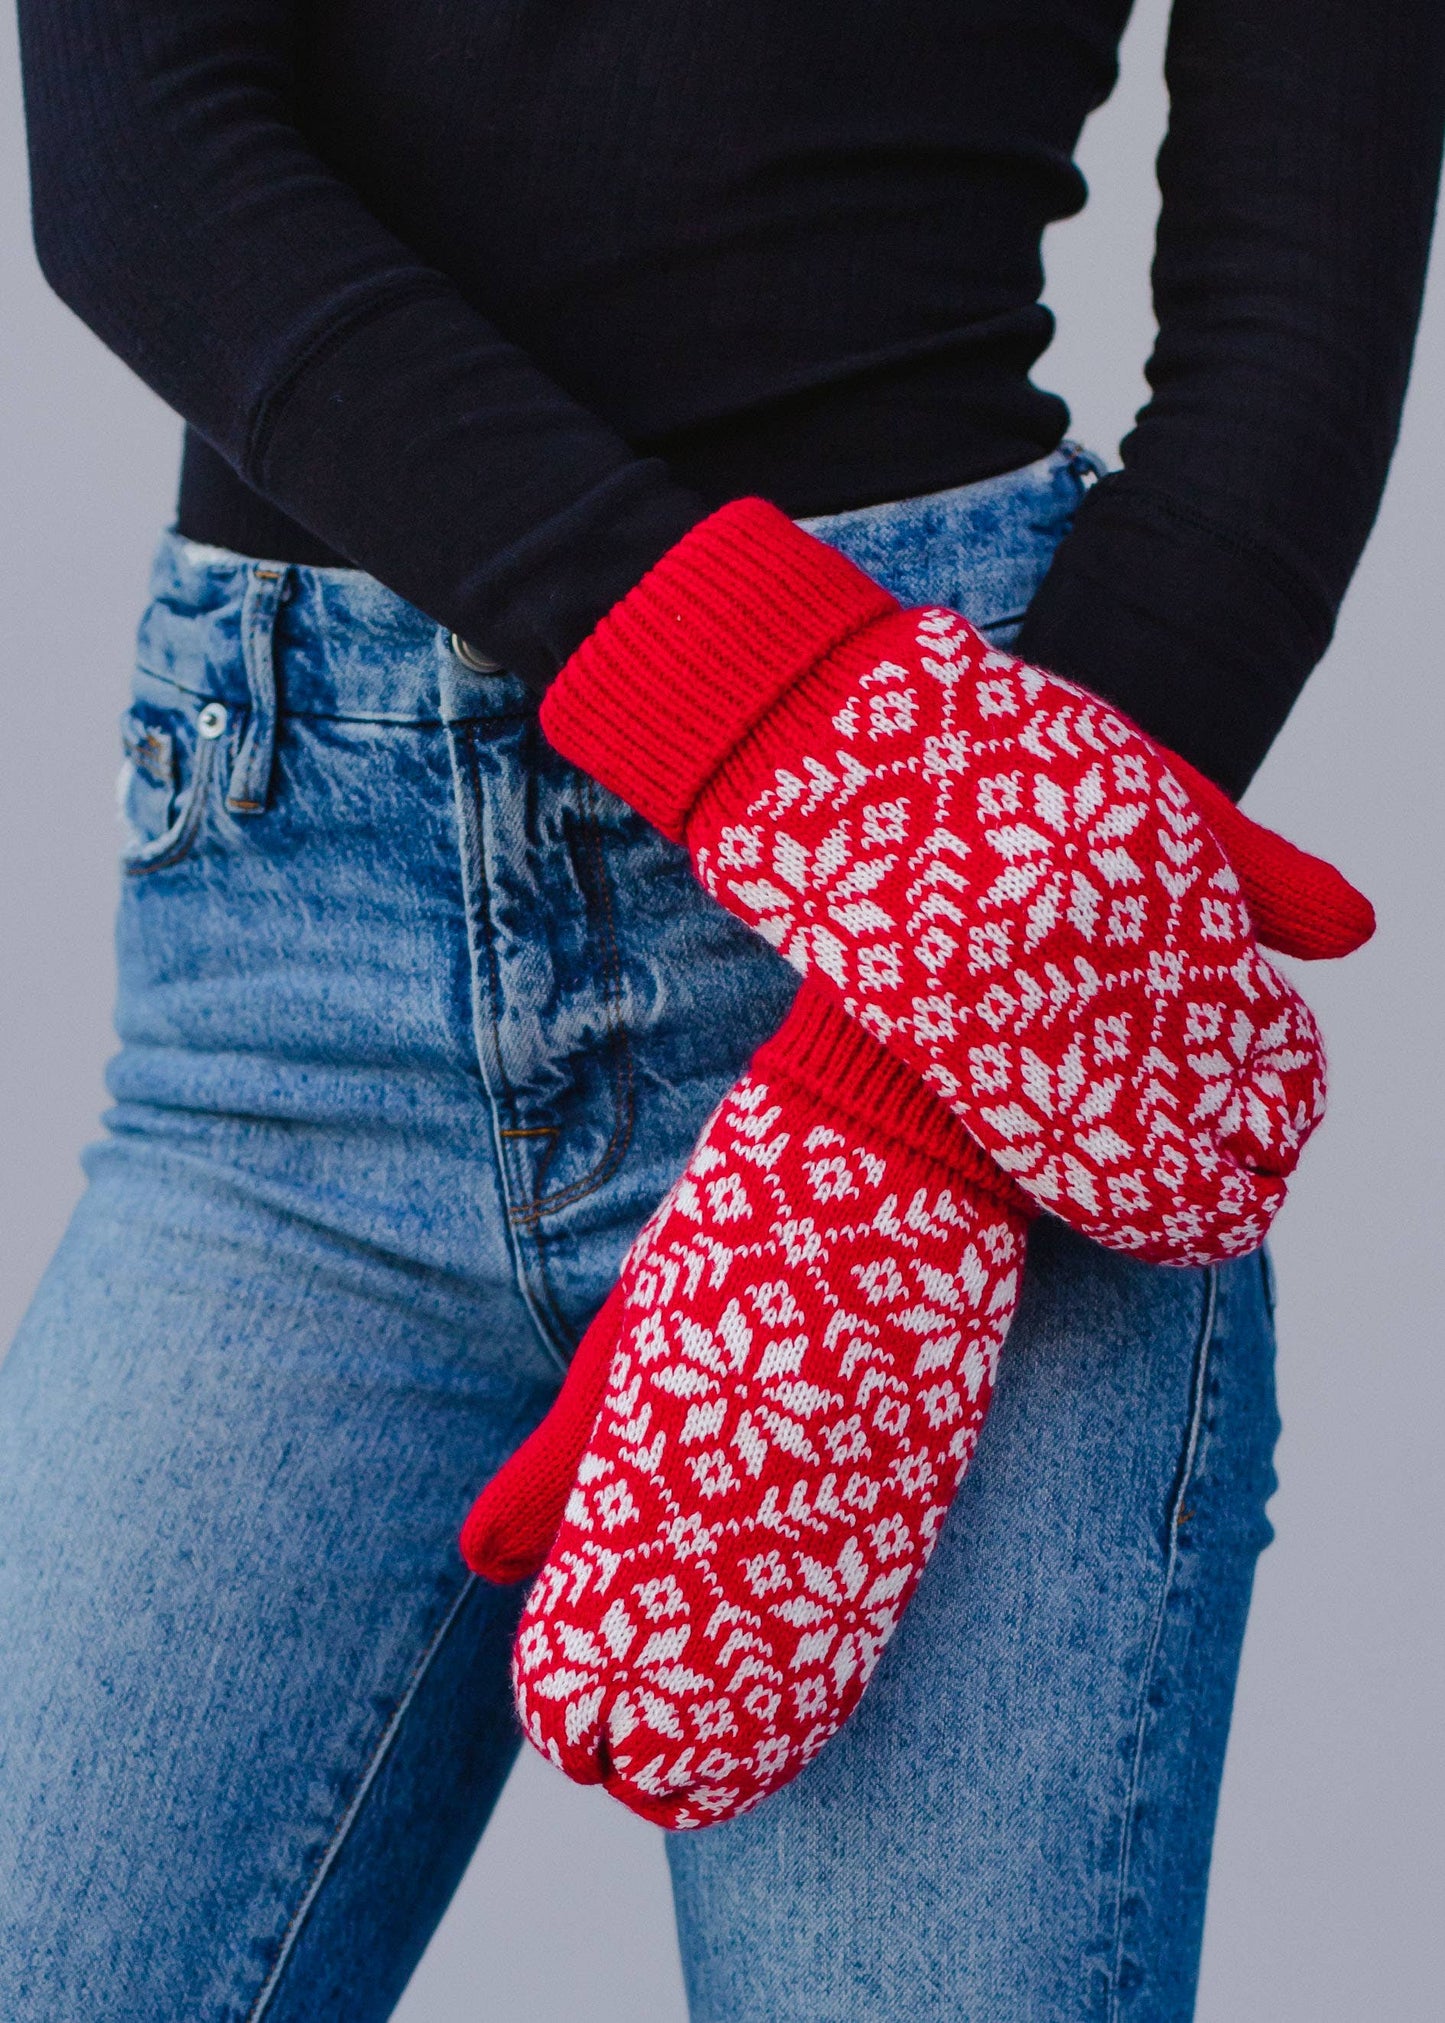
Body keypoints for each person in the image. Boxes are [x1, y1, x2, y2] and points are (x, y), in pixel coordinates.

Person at [1, 0, 1440, 2015]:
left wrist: (926, 1041)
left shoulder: (949, 984)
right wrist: (765, 700)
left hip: (953, 931)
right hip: (300, 1019)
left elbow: (1293, 318)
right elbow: (141, 177)